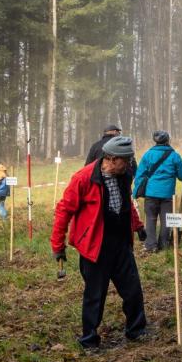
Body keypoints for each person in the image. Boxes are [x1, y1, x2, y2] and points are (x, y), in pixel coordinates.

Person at [52, 137, 149, 349]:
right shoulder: (83, 178)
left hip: (121, 245)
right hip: (94, 248)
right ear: (111, 159)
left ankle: (136, 330)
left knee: (133, 290)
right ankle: (89, 340)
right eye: (126, 160)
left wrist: (138, 226)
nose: (130, 163)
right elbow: (63, 211)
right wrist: (57, 246)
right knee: (95, 296)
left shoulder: (124, 175)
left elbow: (126, 205)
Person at [132, 131, 182, 253]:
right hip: (168, 195)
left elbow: (139, 175)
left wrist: (136, 192)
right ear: (168, 140)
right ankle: (163, 245)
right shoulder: (175, 156)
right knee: (166, 220)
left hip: (151, 194)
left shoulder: (148, 155)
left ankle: (151, 246)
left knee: (151, 219)